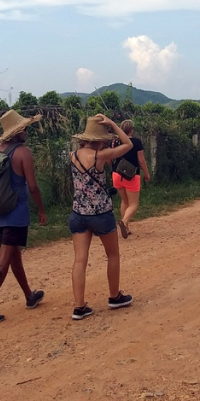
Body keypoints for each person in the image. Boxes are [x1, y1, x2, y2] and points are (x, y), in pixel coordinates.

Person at [0, 110, 48, 323]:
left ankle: (29, 295)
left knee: (14, 253)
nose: (26, 131)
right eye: (23, 128)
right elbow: (33, 186)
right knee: (4, 259)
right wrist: (41, 210)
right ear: (16, 132)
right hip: (16, 214)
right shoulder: (22, 152)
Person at [68, 114, 135, 320]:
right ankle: (114, 297)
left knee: (80, 260)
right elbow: (128, 144)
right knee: (112, 255)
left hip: (78, 213)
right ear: (100, 139)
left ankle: (80, 307)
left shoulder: (73, 154)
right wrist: (114, 124)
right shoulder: (101, 156)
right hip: (101, 213)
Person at [111, 119, 151, 239]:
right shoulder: (136, 142)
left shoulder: (115, 141)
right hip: (131, 175)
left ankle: (126, 228)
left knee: (124, 201)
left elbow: (110, 158)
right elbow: (141, 160)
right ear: (131, 130)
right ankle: (124, 221)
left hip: (116, 174)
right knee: (133, 204)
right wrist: (147, 174)